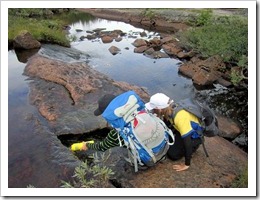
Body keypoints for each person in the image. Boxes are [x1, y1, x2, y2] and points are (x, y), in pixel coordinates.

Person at [145, 93, 202, 172]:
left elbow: (187, 141)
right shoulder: (169, 109)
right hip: (179, 129)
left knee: (173, 155)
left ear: (160, 109)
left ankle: (195, 145)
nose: (153, 110)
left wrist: (186, 164)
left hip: (192, 135)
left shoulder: (180, 117)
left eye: (154, 109)